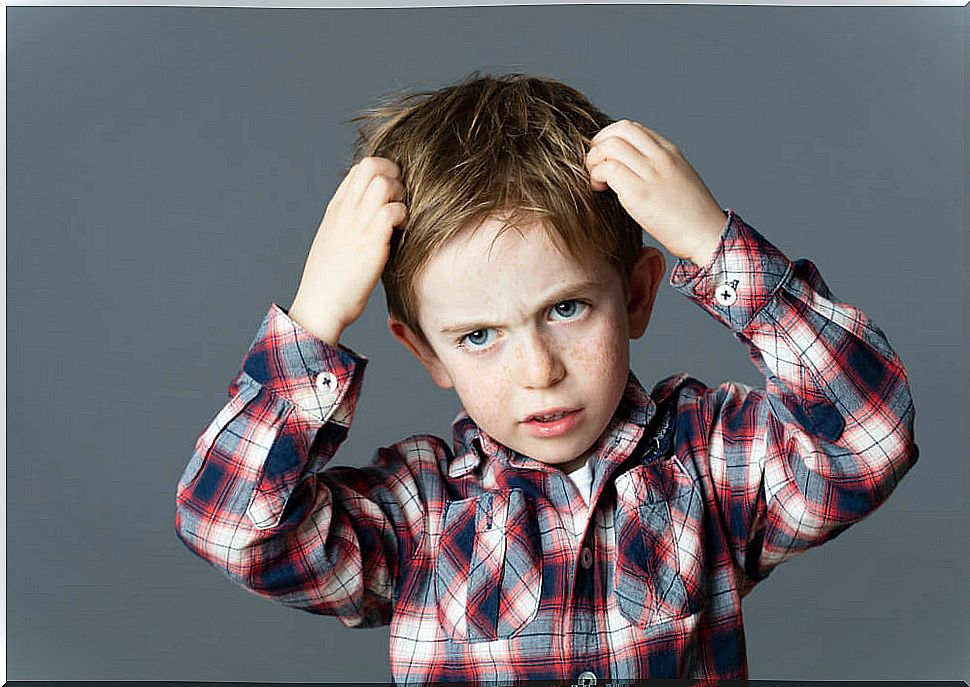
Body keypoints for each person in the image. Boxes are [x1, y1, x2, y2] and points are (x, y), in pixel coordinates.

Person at [174, 71, 918, 683]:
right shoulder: (420, 515)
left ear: (634, 295)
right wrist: (314, 321)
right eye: (478, 335)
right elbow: (233, 527)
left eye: (566, 307)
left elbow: (869, 434)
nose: (539, 370)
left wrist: (712, 243)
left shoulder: (709, 464)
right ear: (428, 352)